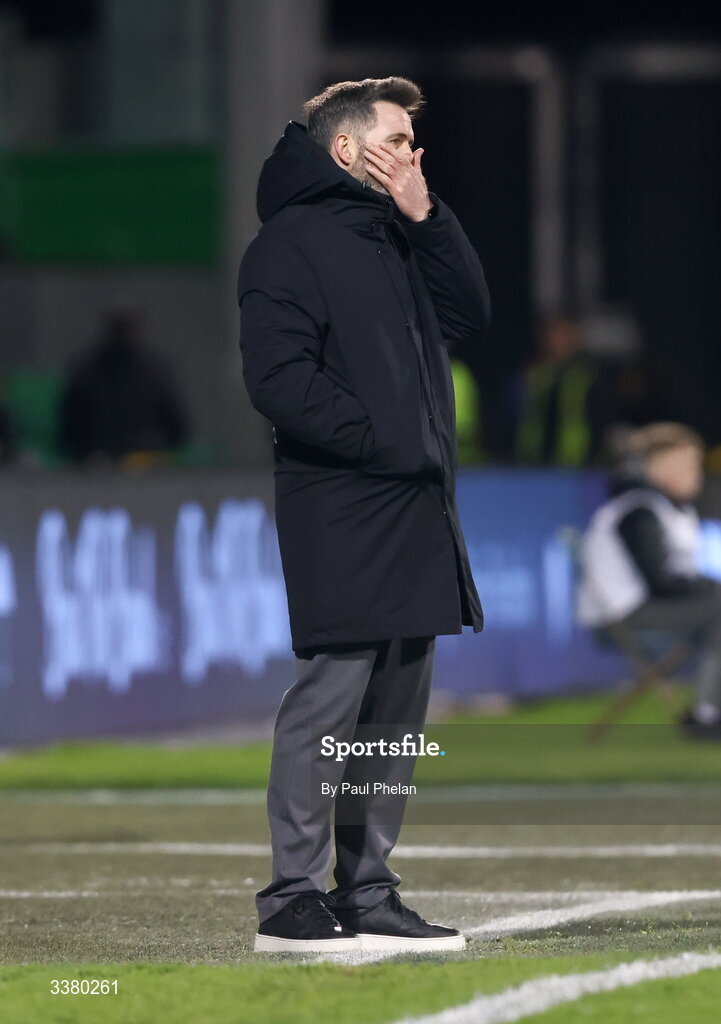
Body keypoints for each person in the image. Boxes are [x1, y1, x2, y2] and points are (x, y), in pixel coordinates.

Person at [237, 77, 490, 953]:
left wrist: (428, 218)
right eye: (397, 138)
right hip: (343, 504)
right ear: (347, 150)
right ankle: (291, 898)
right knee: (330, 705)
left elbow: (469, 314)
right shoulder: (288, 246)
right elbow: (278, 381)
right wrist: (387, 441)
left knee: (391, 717)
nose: (413, 152)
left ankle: (368, 886)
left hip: (416, 506)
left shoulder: (393, 234)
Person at [576, 422, 721, 737]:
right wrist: (711, 587)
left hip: (649, 611)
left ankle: (708, 710)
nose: (697, 473)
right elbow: (661, 582)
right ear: (661, 469)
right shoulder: (639, 512)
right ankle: (707, 715)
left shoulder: (674, 511)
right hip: (624, 618)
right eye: (689, 465)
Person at [58, 309, 190, 467]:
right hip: (120, 462)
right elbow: (178, 428)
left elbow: (68, 430)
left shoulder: (84, 369)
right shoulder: (156, 371)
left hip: (110, 461)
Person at [514, 313, 613, 467]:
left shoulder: (588, 375)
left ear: (575, 338)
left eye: (562, 335)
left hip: (576, 462)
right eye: (551, 334)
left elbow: (599, 419)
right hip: (535, 459)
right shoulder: (538, 373)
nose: (555, 340)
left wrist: (593, 455)